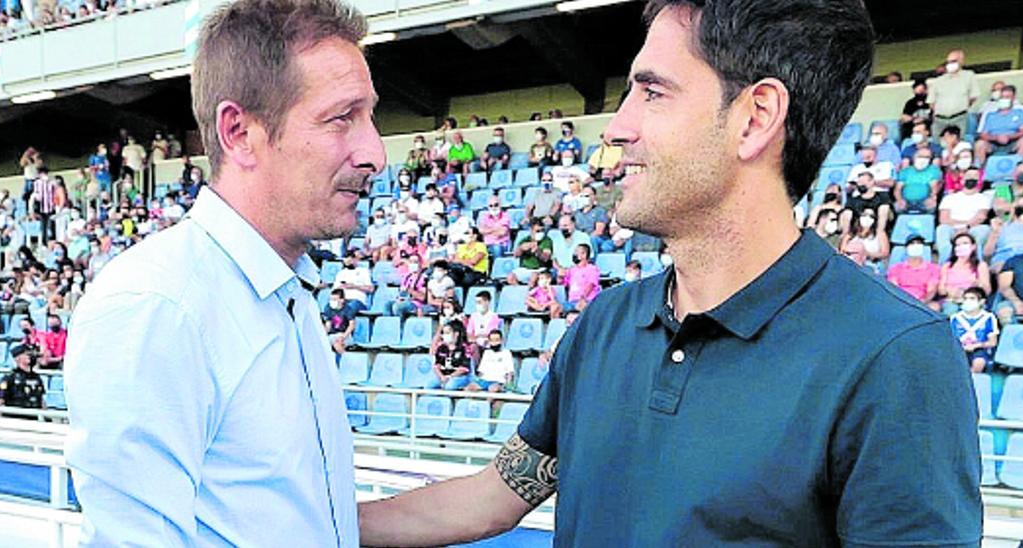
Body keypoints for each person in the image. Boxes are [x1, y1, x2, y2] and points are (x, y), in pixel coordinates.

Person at [359, 2, 980, 545]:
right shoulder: (607, 320)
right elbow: (494, 496)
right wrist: (305, 526)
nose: (618, 128)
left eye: (652, 93)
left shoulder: (894, 357)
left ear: (755, 117)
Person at [65, 0, 379, 544]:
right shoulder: (158, 307)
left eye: (370, 115)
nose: (374, 150)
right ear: (238, 132)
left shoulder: (288, 292)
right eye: (340, 118)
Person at [934, 167, 993, 260]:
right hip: (951, 228)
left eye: (975, 176)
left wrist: (966, 227)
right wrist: (960, 227)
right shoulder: (949, 198)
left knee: (984, 229)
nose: (971, 178)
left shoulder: (984, 198)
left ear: (979, 180)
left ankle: (977, 264)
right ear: (962, 179)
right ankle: (945, 264)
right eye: (969, 176)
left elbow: (981, 217)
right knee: (941, 229)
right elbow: (943, 219)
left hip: (973, 228)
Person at [928, 48, 981, 138]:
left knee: (958, 144)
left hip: (959, 118)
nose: (950, 64)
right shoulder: (939, 80)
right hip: (939, 119)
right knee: (937, 145)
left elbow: (973, 96)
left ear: (961, 61)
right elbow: (931, 102)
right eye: (948, 62)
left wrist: (960, 107)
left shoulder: (969, 76)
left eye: (954, 61)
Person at [973, 85, 1023, 166]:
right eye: (1002, 97)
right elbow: (982, 134)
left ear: (1013, 98)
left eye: (1007, 97)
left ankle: (1018, 167)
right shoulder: (989, 113)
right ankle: (980, 171)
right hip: (993, 143)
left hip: (1013, 141)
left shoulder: (1020, 111)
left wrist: (1009, 137)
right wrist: (996, 138)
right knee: (979, 144)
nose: (1004, 99)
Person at [938, 233, 992, 315]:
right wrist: (951, 291)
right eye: (958, 245)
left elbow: (987, 290)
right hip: (951, 300)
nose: (961, 246)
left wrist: (978, 285)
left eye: (965, 243)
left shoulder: (980, 265)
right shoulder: (947, 266)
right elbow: (941, 290)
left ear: (973, 246)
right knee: (950, 310)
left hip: (973, 300)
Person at [949, 287, 999, 374]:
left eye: (972, 298)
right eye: (965, 298)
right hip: (958, 349)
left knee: (979, 362)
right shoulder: (955, 318)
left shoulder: (989, 318)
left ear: (981, 302)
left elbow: (993, 342)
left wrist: (976, 346)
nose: (968, 301)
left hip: (979, 349)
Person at [885, 236, 940, 311]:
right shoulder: (896, 268)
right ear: (906, 248)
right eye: (912, 244)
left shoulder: (933, 268)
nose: (916, 246)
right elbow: (894, 289)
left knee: (935, 307)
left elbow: (931, 290)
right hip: (901, 301)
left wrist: (922, 301)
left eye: (919, 243)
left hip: (922, 302)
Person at [0, 344, 47, 418]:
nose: (30, 356)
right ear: (18, 358)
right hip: (16, 420)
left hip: (33, 419)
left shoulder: (36, 377)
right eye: (27, 354)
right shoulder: (10, 378)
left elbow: (41, 401)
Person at [427, 320, 472, 391]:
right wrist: (442, 376)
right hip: (443, 375)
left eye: (447, 333)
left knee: (449, 386)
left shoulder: (464, 348)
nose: (444, 335)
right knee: (430, 385)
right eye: (443, 333)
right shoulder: (441, 347)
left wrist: (450, 377)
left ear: (456, 334)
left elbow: (464, 369)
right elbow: (436, 366)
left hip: (459, 377)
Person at [508, 218, 554, 285]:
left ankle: (530, 293)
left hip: (540, 269)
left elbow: (546, 258)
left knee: (533, 277)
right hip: (525, 269)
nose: (540, 233)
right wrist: (521, 248)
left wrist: (538, 251)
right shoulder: (525, 240)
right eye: (537, 231)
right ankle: (521, 291)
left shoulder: (547, 240)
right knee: (510, 277)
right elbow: (515, 255)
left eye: (542, 230)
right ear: (531, 231)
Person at [894, 147, 940, 213]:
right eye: (920, 156)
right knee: (897, 206)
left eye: (927, 157)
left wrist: (932, 198)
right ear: (914, 157)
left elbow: (934, 188)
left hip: (924, 201)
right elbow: (897, 189)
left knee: (932, 206)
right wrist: (900, 199)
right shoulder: (905, 171)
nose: (923, 159)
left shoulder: (933, 170)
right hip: (906, 201)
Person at [333, 249, 374, 316]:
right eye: (346, 261)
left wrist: (354, 286)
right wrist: (341, 287)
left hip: (357, 300)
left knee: (349, 307)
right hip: (343, 300)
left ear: (355, 260)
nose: (348, 263)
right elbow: (334, 290)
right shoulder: (341, 273)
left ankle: (340, 324)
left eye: (350, 261)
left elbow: (371, 289)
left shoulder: (364, 271)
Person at [321, 289, 356, 355]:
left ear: (342, 300)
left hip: (345, 334)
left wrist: (343, 337)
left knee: (337, 344)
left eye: (334, 299)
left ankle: (347, 360)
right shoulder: (328, 308)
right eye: (331, 299)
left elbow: (352, 325)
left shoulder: (348, 309)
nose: (332, 301)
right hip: (332, 335)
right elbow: (328, 325)